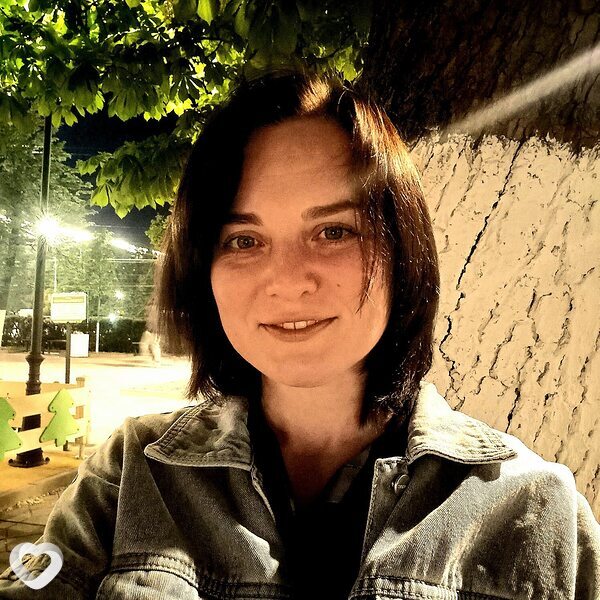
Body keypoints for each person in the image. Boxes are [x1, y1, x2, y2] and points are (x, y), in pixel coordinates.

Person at [1, 71, 598, 599]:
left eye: (334, 231)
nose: (288, 281)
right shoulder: (134, 472)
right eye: (243, 240)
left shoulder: (533, 508)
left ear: (403, 251)